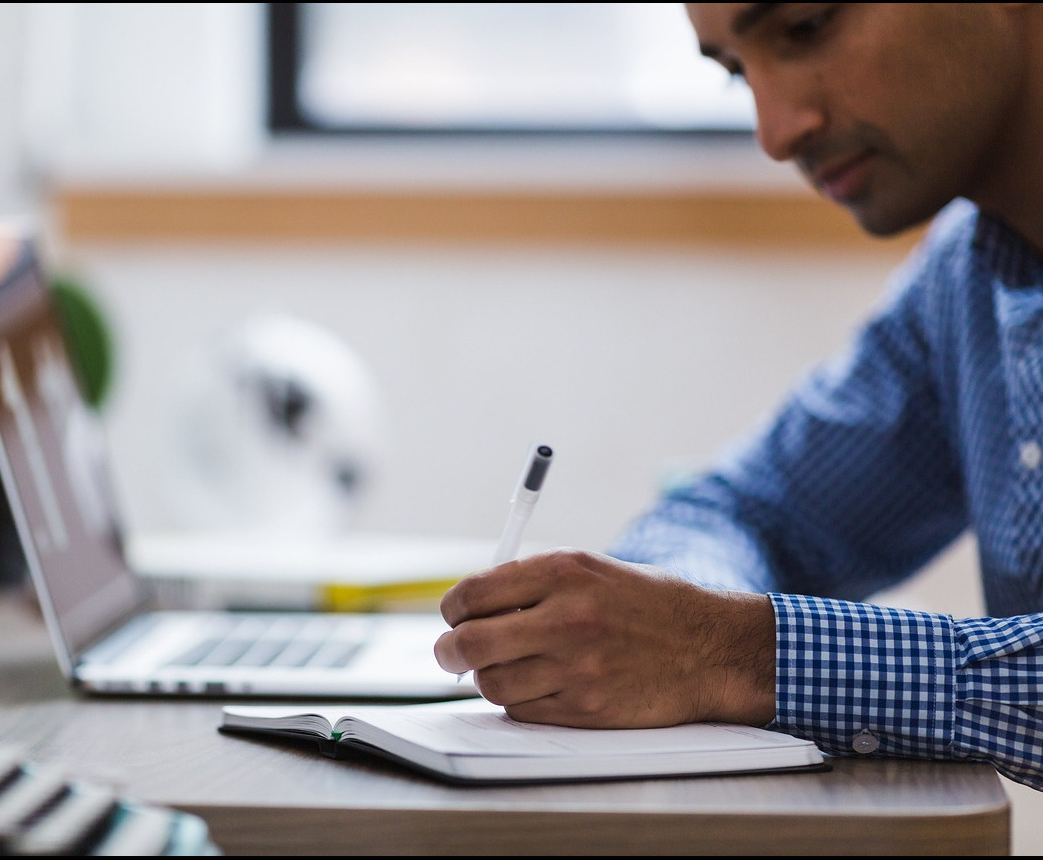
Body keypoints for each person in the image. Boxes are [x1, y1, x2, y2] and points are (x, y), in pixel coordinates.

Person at [432, 3, 1043, 790]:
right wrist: (663, 622)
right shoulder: (968, 275)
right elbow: (743, 511)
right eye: (734, 72)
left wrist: (734, 651)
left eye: (805, 27)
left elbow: (726, 637)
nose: (776, 132)